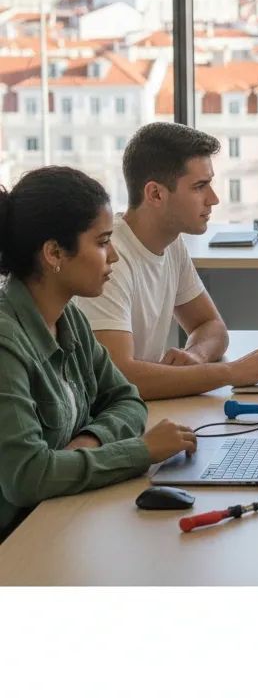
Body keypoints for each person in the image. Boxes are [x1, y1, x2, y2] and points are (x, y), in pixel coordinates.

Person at [0, 167, 197, 539]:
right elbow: (26, 478)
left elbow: (127, 399)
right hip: (18, 538)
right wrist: (140, 452)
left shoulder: (67, 316)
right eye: (103, 241)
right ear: (54, 252)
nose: (116, 256)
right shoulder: (6, 342)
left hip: (59, 516)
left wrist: (89, 443)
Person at [76, 123, 258, 400]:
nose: (214, 199)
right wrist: (230, 372)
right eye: (199, 187)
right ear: (155, 194)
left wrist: (196, 355)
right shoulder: (111, 259)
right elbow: (120, 378)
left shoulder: (171, 243)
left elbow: (211, 326)